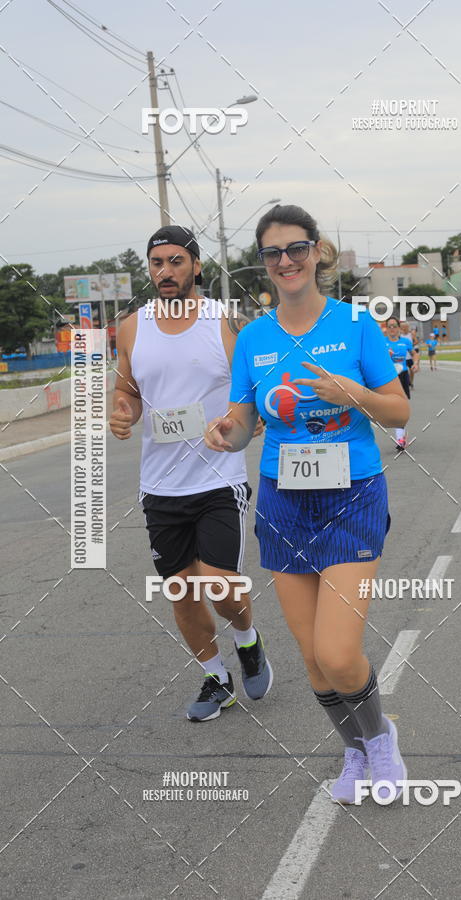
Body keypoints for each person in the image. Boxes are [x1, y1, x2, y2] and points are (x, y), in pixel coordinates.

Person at [204, 204, 410, 805]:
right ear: (264, 265)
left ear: (317, 252)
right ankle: (354, 752)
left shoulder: (355, 325)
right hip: (283, 502)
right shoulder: (254, 338)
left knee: (338, 653)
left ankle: (381, 738)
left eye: (296, 248)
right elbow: (245, 421)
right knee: (313, 662)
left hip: (352, 496)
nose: (286, 261)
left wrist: (349, 391)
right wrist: (228, 432)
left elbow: (398, 412)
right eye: (273, 253)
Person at [109, 225, 273, 722]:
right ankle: (216, 677)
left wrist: (246, 420)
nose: (165, 271)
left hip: (218, 476)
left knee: (221, 584)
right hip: (159, 484)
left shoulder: (224, 320)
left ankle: (247, 638)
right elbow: (129, 392)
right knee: (182, 590)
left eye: (176, 261)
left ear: (196, 266)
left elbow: (255, 390)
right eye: (156, 262)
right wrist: (121, 410)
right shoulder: (132, 327)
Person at [384, 317, 412, 451]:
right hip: (388, 377)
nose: (392, 329)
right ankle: (400, 436)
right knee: (393, 407)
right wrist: (385, 356)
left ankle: (401, 436)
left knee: (402, 405)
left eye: (394, 326)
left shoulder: (405, 342)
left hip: (403, 375)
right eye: (389, 326)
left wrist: (416, 363)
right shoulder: (381, 343)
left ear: (399, 328)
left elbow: (415, 354)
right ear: (386, 329)